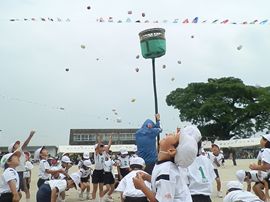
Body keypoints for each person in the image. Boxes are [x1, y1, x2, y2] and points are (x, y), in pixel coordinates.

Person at [133, 131, 198, 202]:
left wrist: (142, 187)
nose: (170, 133)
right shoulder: (165, 167)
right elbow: (162, 182)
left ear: (171, 150)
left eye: (174, 136)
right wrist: (147, 177)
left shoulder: (167, 171)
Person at [186, 127, 216, 202]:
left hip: (191, 197)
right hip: (206, 197)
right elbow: (212, 177)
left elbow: (184, 184)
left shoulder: (185, 161)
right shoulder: (206, 160)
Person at [8, 130, 35, 201]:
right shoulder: (17, 151)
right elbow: (25, 144)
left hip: (22, 172)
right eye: (16, 144)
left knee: (22, 190)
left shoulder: (19, 152)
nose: (18, 144)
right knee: (19, 191)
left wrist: (28, 177)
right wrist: (30, 136)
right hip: (18, 172)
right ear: (13, 148)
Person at [249, 134, 270, 201]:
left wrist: (256, 167)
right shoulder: (263, 150)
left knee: (257, 187)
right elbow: (260, 161)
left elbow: (267, 166)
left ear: (266, 141)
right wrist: (259, 170)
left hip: (268, 176)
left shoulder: (266, 151)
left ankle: (265, 200)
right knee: (255, 188)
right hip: (265, 175)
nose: (260, 140)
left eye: (262, 139)